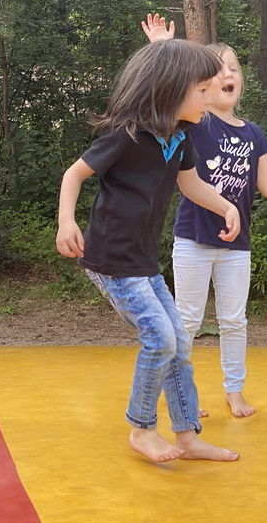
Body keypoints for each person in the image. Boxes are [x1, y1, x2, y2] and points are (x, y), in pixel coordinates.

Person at [56, 38, 242, 465]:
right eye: (201, 91)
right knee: (159, 338)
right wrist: (67, 221)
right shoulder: (125, 137)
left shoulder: (180, 136)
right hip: (112, 261)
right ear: (172, 91)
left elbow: (190, 184)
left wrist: (226, 204)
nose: (209, 98)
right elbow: (74, 175)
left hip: (143, 262)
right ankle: (141, 428)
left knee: (178, 342)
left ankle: (187, 436)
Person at [142, 15, 267, 418]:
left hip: (235, 246)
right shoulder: (194, 124)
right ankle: (180, 393)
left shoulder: (252, 134)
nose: (229, 73)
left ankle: (234, 390)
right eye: (219, 67)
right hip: (193, 238)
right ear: (203, 84)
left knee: (234, 320)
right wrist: (161, 46)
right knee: (186, 320)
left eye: (234, 68)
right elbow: (163, 92)